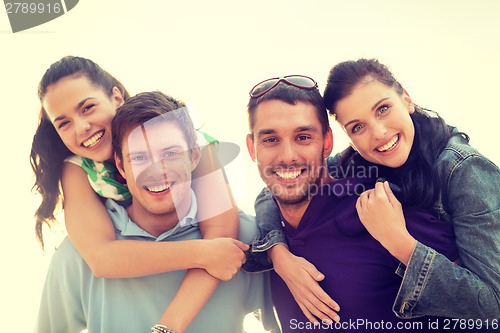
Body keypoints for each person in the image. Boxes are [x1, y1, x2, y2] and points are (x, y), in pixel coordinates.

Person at [249, 61, 500, 330]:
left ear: (406, 98)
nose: (379, 134)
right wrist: (279, 253)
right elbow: (279, 187)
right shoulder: (359, 161)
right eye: (358, 127)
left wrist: (398, 241)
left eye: (383, 109)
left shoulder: (462, 169)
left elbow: (493, 307)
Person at [30, 56, 246, 331]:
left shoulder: (190, 144)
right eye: (64, 123)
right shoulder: (77, 170)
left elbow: (222, 239)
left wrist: (168, 326)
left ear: (116, 97)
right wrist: (200, 251)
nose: (81, 127)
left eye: (87, 108)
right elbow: (102, 259)